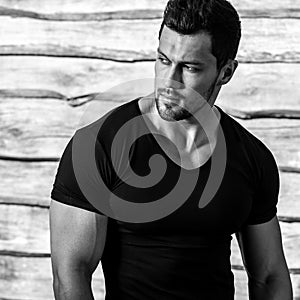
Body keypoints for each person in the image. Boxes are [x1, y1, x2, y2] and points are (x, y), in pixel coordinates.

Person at [49, 0, 293, 299]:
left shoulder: (252, 157)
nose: (169, 81)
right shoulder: (98, 144)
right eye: (164, 60)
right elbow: (71, 273)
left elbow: (269, 277)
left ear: (225, 72)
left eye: (189, 67)